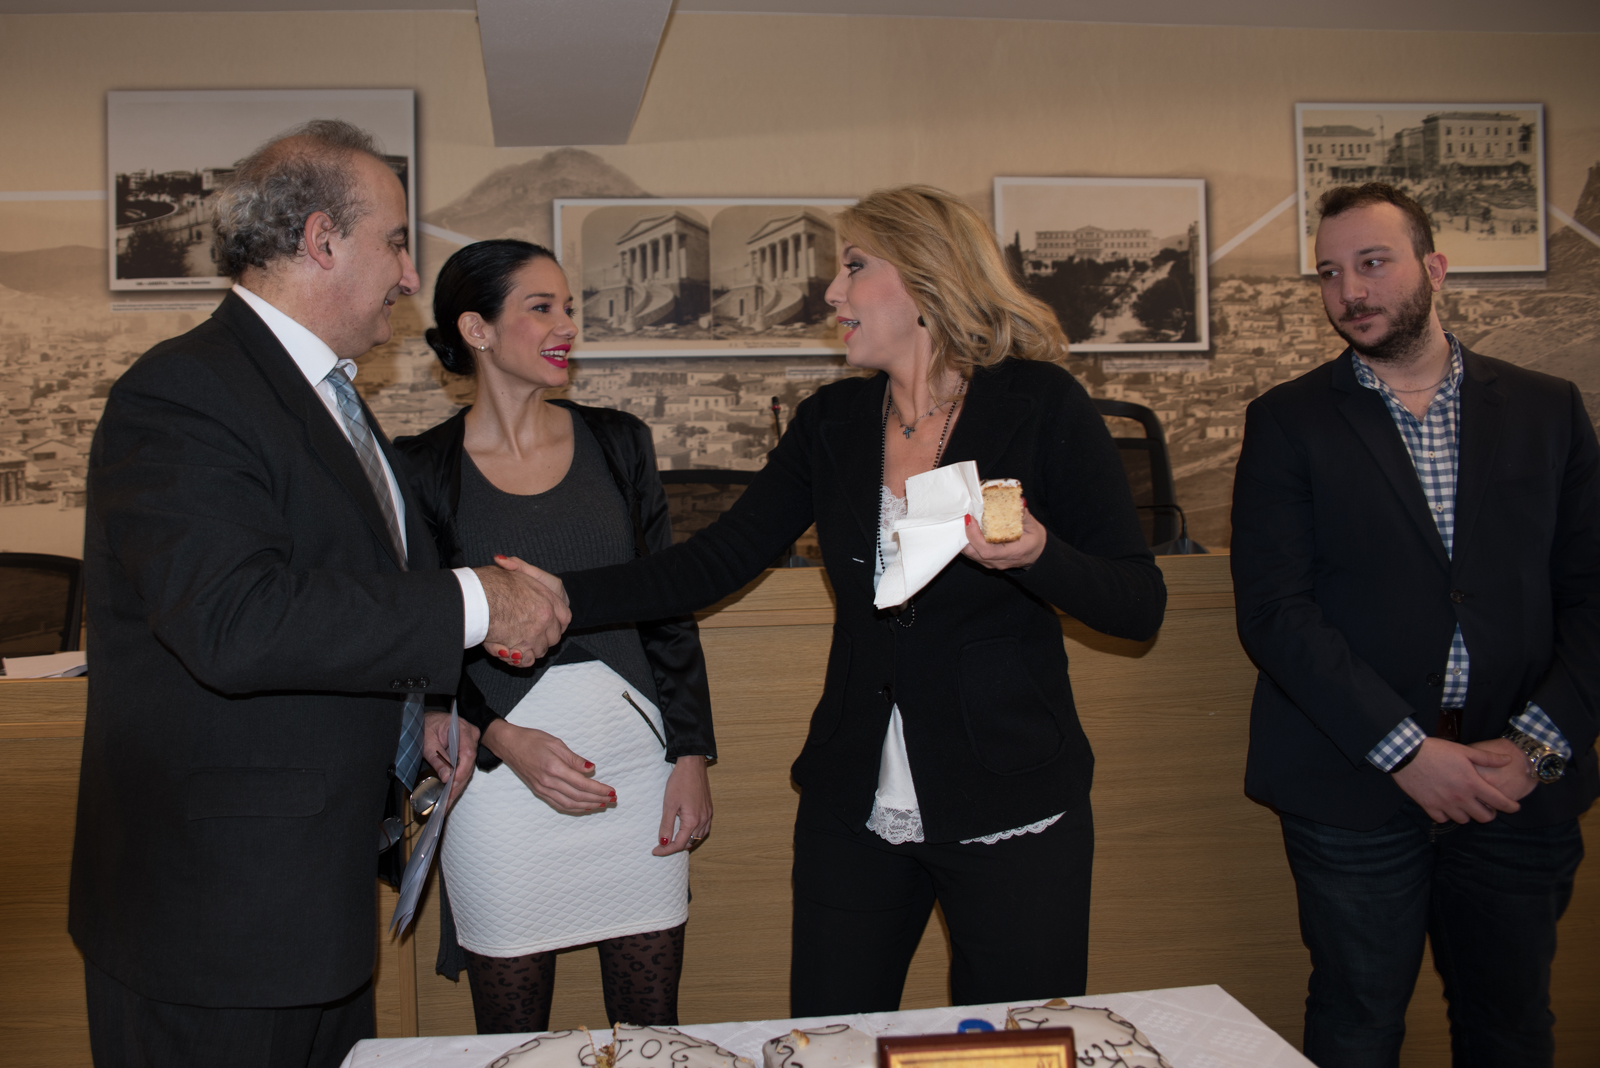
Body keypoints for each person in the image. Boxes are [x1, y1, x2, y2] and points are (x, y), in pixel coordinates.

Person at [500, 185, 1166, 1013]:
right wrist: (561, 597)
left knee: (1014, 1047)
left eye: (853, 267)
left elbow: (1138, 604)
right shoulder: (834, 421)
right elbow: (713, 562)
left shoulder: (1039, 405)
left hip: (1011, 801)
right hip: (854, 802)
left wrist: (1038, 555)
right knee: (829, 1041)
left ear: (924, 278)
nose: (831, 292)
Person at [69, 121, 568, 1068]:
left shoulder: (321, 392)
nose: (411, 276)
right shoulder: (184, 393)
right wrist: (475, 603)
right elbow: (234, 621)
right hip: (212, 926)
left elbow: (343, 588)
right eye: (396, 242)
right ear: (321, 239)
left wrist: (422, 711)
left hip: (306, 909)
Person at [1231, 182, 1596, 1067]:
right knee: (1356, 1025)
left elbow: (1593, 594)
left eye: (1372, 263)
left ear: (1435, 268)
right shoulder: (1287, 421)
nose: (1349, 291)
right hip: (1352, 785)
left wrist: (1536, 747)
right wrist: (1405, 751)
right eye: (1329, 272)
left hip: (1515, 785)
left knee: (1511, 1029)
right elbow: (1276, 613)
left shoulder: (1547, 409)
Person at [394, 239, 715, 1032]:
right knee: (511, 1039)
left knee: (650, 1034)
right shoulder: (421, 467)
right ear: (476, 328)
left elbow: (666, 606)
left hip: (637, 774)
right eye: (541, 308)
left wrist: (691, 756)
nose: (566, 325)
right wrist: (505, 741)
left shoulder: (619, 441)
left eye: (568, 307)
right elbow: (422, 634)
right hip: (497, 784)